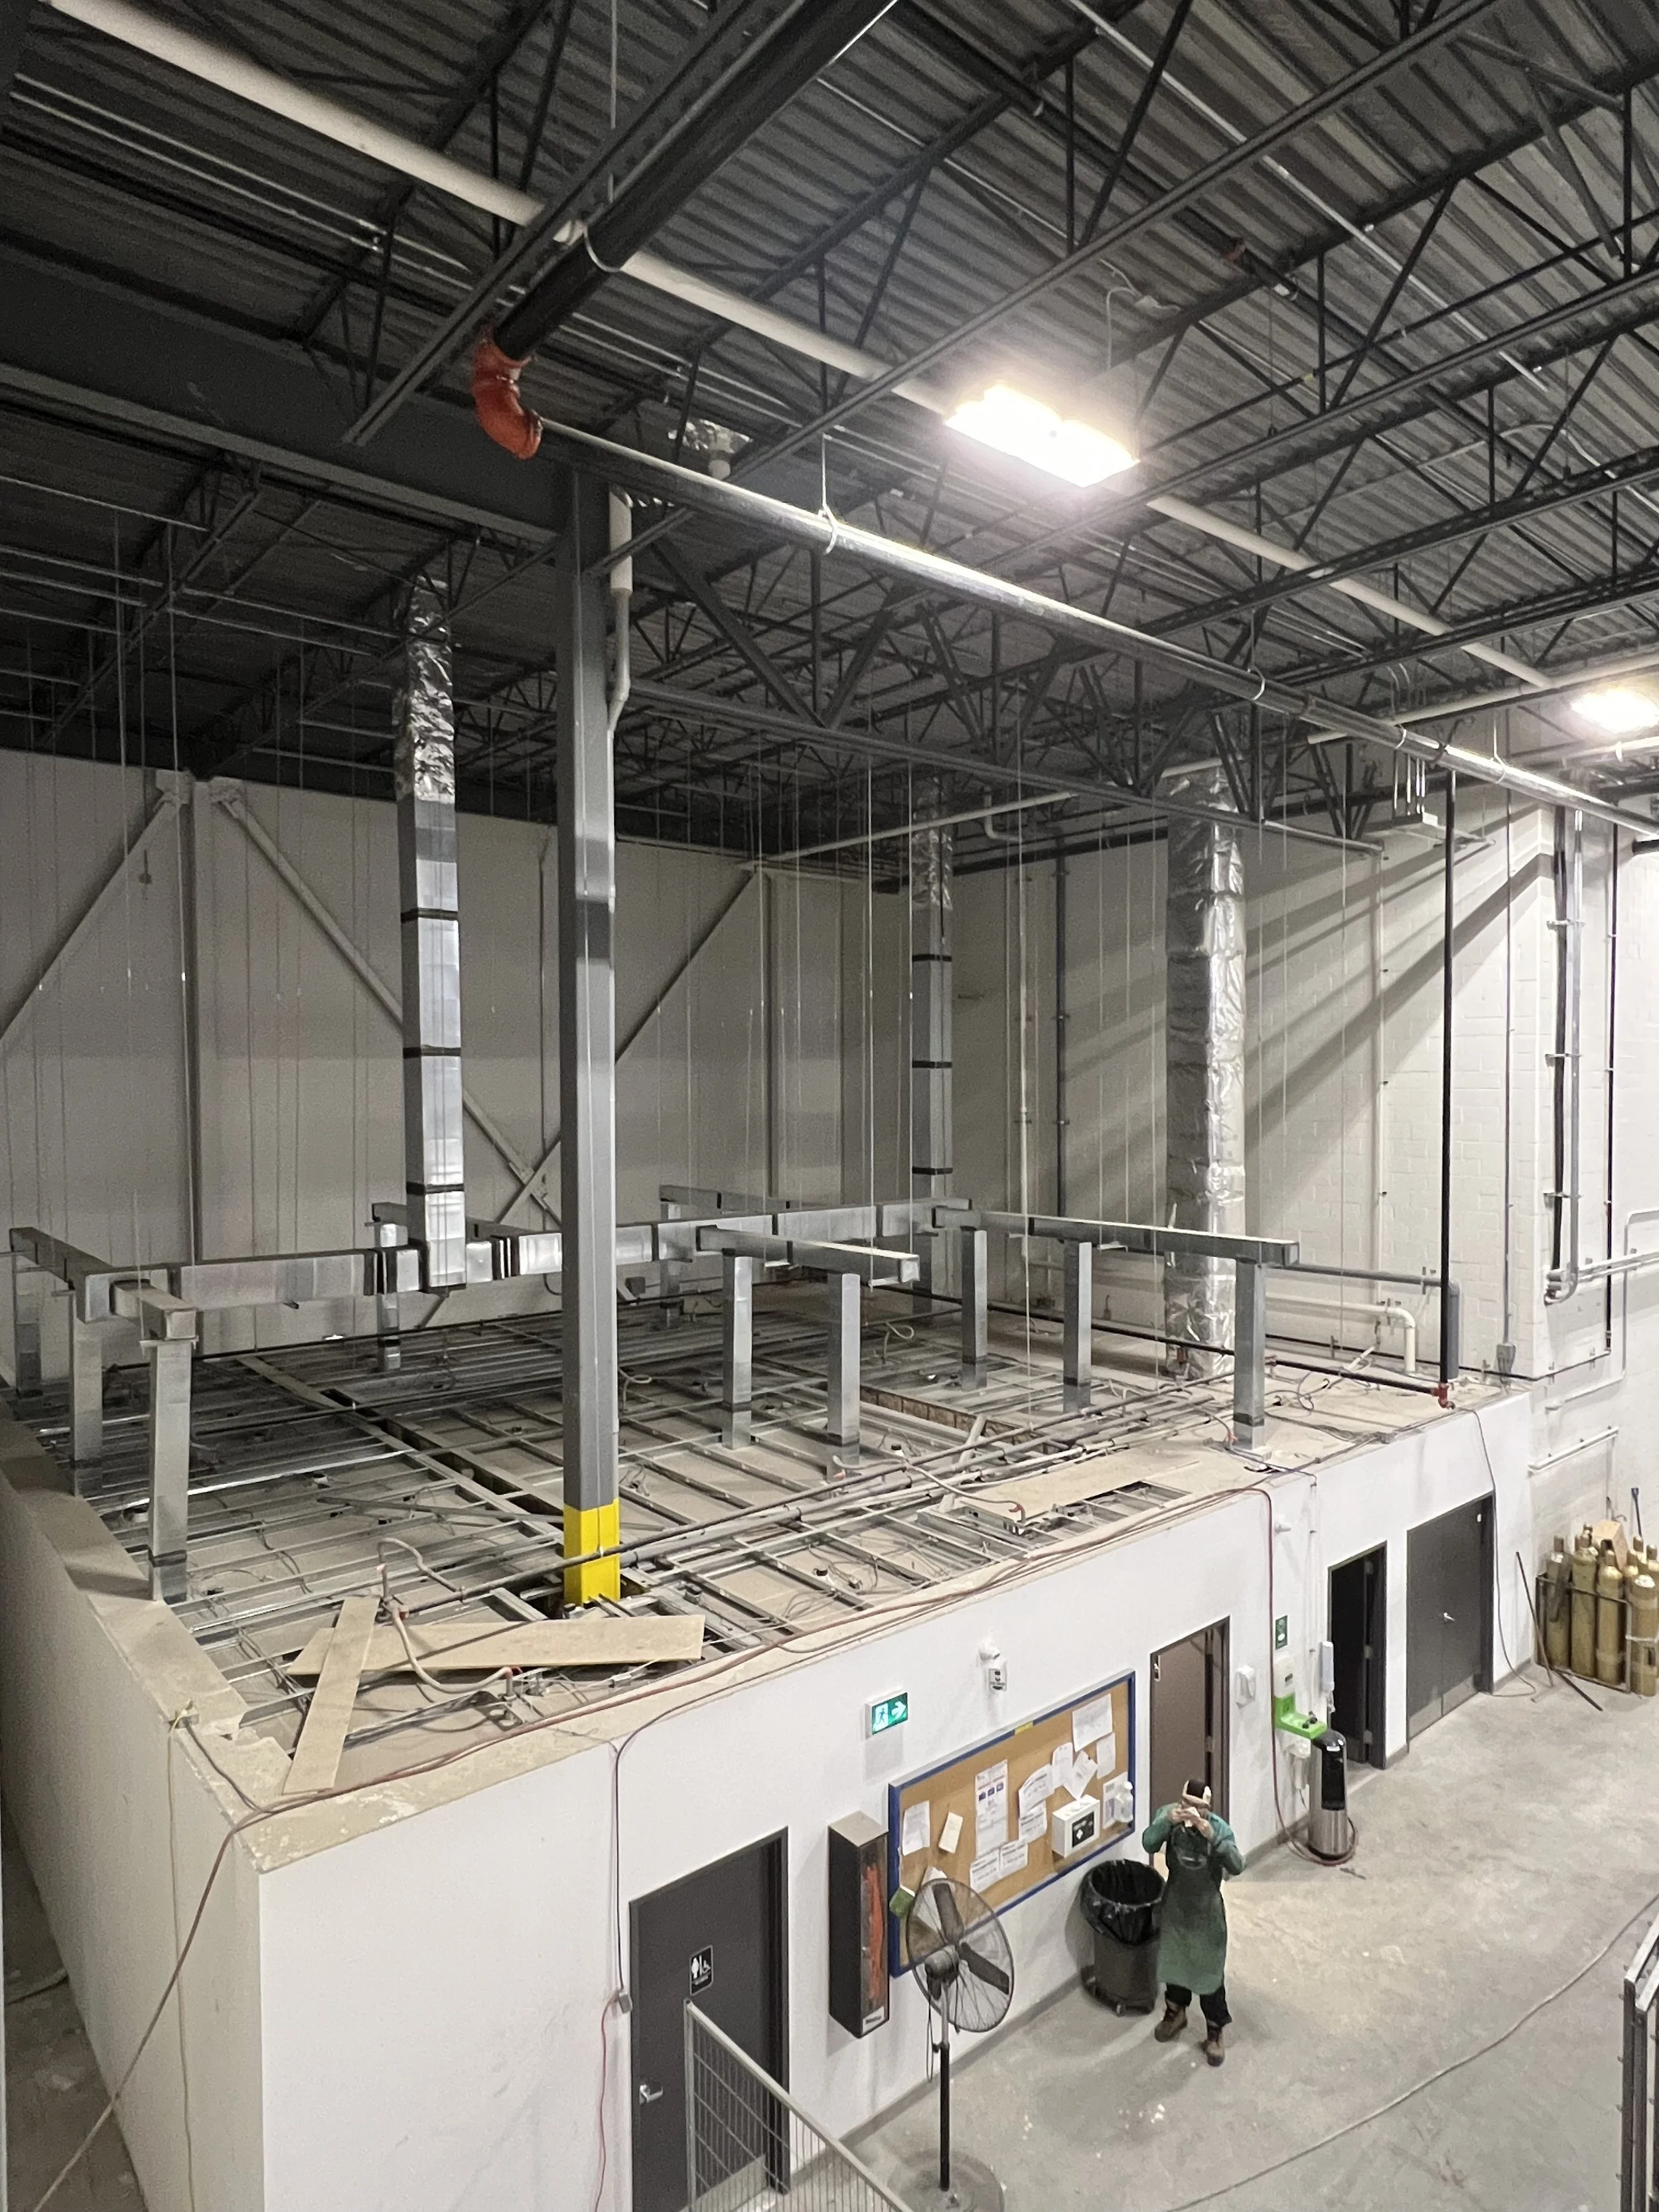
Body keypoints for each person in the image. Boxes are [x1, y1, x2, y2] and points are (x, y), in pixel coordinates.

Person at [1141, 1779, 1244, 2065]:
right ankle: (1176, 2014)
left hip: (1206, 1914)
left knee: (1209, 1976)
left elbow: (1238, 1865)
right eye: (1187, 1806)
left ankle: (1215, 2032)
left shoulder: (1219, 1829)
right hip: (1175, 1907)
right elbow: (1149, 1842)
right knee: (1175, 1966)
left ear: (1208, 1809)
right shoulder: (1169, 1816)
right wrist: (1166, 1822)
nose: (1191, 1813)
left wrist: (1211, 1835)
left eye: (1198, 1809)